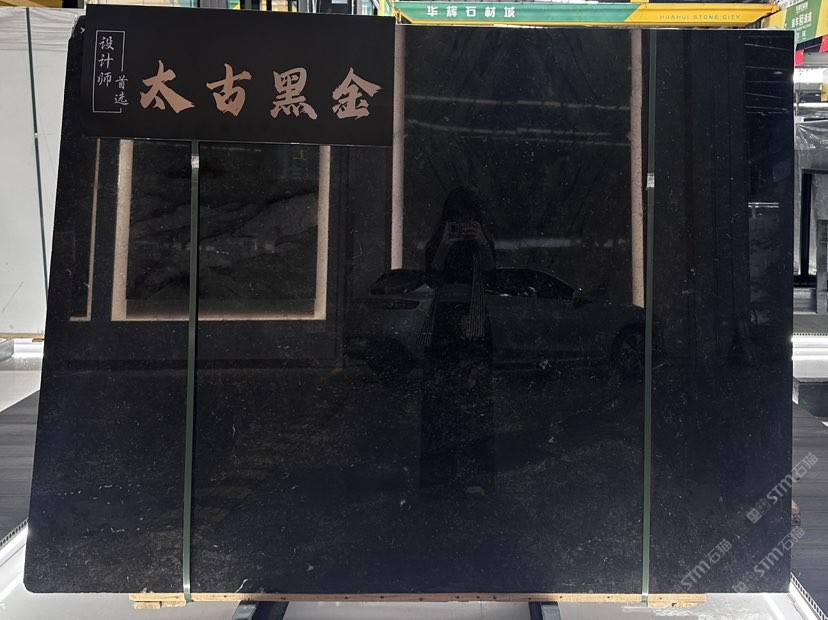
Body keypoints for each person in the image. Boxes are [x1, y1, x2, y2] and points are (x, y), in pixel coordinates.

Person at [418, 187, 497, 493]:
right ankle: (441, 473)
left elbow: (491, 273)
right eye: (457, 219)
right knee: (441, 403)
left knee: (474, 402)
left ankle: (474, 474)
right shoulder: (438, 243)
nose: (462, 224)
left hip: (473, 325)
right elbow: (432, 277)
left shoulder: (481, 243)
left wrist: (481, 241)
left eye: (468, 219)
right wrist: (444, 245)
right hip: (445, 326)